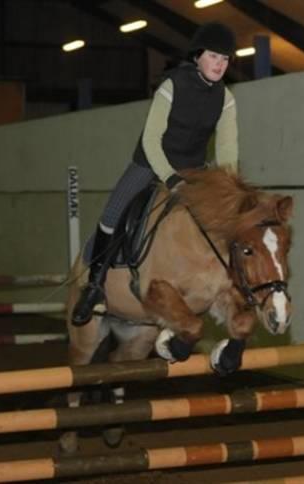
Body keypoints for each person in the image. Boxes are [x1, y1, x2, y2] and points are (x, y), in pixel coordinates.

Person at [71, 22, 239, 325]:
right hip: (150, 163)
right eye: (214, 56)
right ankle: (94, 287)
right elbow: (151, 140)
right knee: (112, 215)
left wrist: (228, 185)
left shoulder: (225, 98)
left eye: (225, 59)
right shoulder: (172, 85)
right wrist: (169, 177)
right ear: (198, 56)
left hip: (194, 172)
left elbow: (227, 147)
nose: (220, 64)